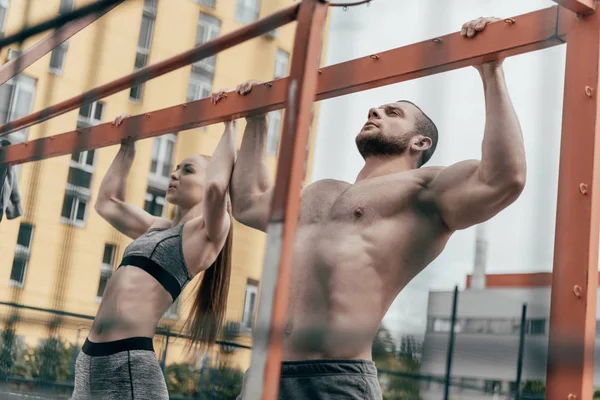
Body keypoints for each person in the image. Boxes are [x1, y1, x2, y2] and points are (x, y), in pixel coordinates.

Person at [228, 17, 526, 399]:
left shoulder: (424, 189)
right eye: (375, 108)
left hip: (333, 379)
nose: (375, 111)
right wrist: (256, 118)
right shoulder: (320, 191)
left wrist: (490, 69)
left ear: (419, 142)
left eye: (392, 112)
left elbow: (504, 180)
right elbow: (248, 201)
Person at [70, 108, 237, 400]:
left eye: (187, 170)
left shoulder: (208, 235)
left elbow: (215, 188)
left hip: (129, 363)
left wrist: (230, 123)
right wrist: (128, 146)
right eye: (176, 168)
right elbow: (107, 203)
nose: (174, 174)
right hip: (89, 359)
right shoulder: (157, 227)